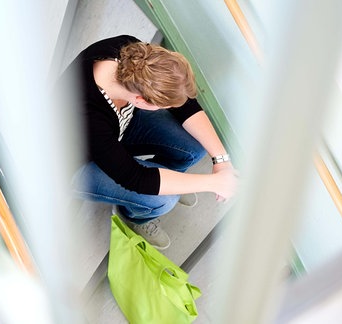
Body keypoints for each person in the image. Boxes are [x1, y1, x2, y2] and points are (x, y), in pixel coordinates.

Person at [64, 35, 238, 249]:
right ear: (142, 101)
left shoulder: (134, 54)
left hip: (118, 127)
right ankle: (135, 215)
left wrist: (222, 161)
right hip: (79, 162)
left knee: (193, 147)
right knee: (163, 200)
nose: (169, 108)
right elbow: (136, 179)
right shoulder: (86, 114)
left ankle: (168, 179)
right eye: (161, 105)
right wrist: (213, 183)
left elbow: (183, 104)